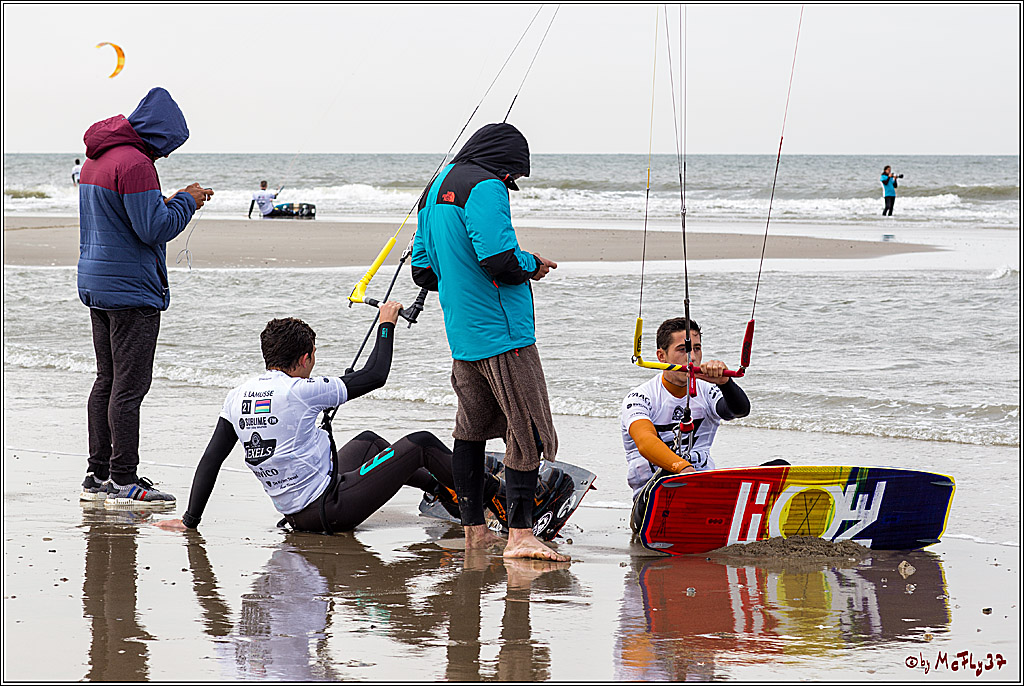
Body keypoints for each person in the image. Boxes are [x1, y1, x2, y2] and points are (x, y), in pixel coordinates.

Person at [156, 305, 486, 534]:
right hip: (330, 508)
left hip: (299, 507)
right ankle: (494, 495)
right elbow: (376, 375)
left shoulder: (237, 395)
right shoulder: (301, 391)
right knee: (422, 443)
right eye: (313, 357)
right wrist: (387, 323)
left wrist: (190, 520)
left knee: (368, 442)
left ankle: (441, 490)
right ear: (304, 357)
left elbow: (211, 459)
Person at [411, 122, 566, 562]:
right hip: (505, 335)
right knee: (529, 432)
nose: (510, 185)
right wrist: (530, 262)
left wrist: (461, 277)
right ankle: (520, 535)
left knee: (471, 430)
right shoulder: (485, 186)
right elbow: (498, 259)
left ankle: (475, 530)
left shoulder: (435, 186)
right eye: (512, 177)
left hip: (463, 334)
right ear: (503, 163)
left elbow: (423, 271)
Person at [77, 86, 213, 505]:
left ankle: (97, 475)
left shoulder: (98, 158)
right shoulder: (136, 164)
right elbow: (153, 229)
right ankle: (123, 480)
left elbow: (130, 218)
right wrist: (187, 201)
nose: (167, 154)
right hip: (131, 291)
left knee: (107, 380)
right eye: (168, 144)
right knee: (129, 387)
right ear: (157, 134)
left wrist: (169, 201)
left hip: (97, 283)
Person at [620, 317, 751, 526]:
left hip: (703, 490)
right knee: (667, 476)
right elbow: (645, 441)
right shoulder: (640, 397)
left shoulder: (707, 390)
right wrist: (684, 469)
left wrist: (726, 383)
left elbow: (738, 411)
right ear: (661, 356)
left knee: (778, 466)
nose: (692, 358)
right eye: (683, 349)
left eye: (697, 349)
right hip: (654, 498)